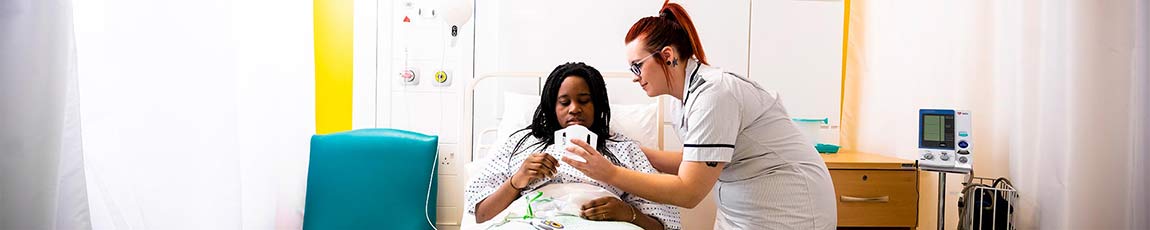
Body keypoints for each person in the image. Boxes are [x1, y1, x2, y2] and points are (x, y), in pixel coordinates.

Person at [561, 1, 838, 229]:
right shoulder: (682, 99)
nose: (635, 78)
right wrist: (629, 150)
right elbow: (696, 159)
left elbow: (688, 191)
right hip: (741, 211)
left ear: (667, 56)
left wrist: (609, 172)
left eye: (637, 67)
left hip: (789, 211)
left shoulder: (714, 94)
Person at [464, 62, 681, 230]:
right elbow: (482, 214)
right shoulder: (522, 145)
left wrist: (629, 213)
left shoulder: (623, 149)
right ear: (552, 106)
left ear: (597, 105)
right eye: (564, 102)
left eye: (584, 100)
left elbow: (665, 224)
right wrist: (516, 181)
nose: (574, 109)